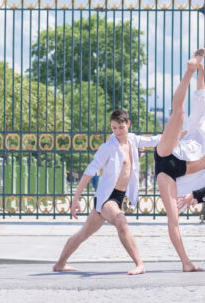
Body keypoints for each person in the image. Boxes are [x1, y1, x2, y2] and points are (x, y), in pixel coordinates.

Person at [153, 48, 205, 272]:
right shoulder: (201, 130)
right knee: (179, 114)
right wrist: (199, 69)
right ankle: (188, 70)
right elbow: (200, 97)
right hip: (168, 154)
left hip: (169, 174)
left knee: (174, 220)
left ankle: (186, 263)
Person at [52, 109, 161, 275]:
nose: (117, 131)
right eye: (114, 128)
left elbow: (155, 140)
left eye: (121, 127)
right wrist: (75, 200)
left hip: (118, 197)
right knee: (120, 220)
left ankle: (59, 264)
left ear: (128, 125)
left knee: (83, 234)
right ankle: (140, 264)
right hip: (106, 198)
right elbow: (89, 172)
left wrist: (178, 135)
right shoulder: (107, 147)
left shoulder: (133, 140)